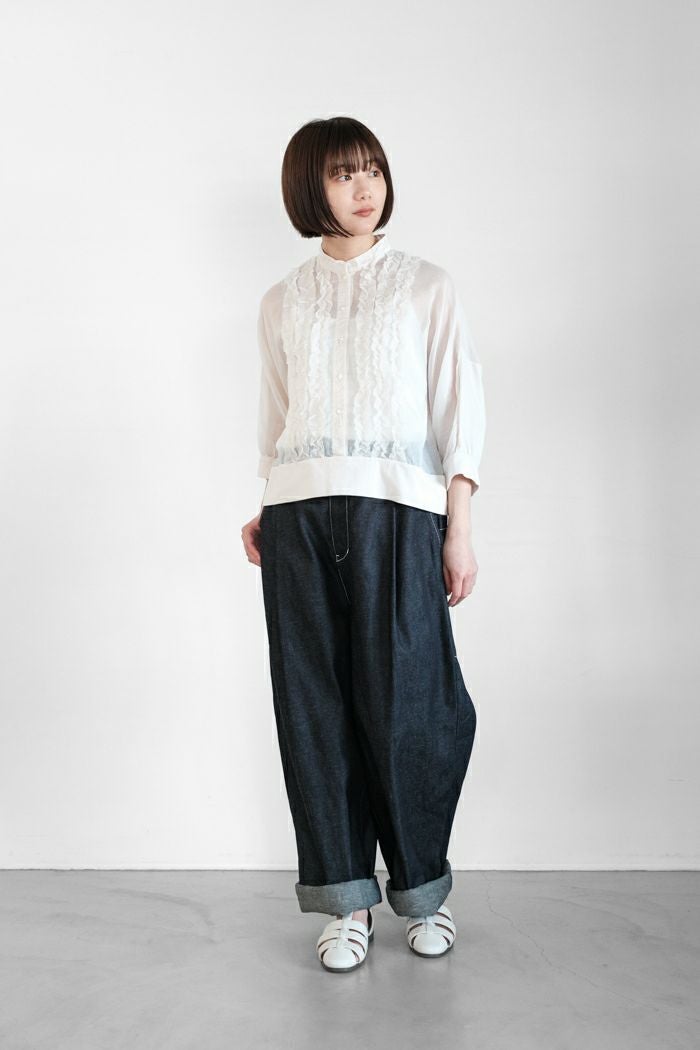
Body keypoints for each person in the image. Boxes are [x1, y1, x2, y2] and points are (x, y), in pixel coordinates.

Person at [241, 116, 486, 972]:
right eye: (344, 173)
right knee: (314, 708)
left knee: (412, 704)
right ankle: (345, 902)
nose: (364, 187)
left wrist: (458, 528)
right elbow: (276, 416)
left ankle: (422, 891)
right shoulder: (282, 300)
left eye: (373, 169)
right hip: (298, 516)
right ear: (310, 187)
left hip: (400, 512)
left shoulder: (425, 286)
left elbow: (458, 410)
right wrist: (264, 506)